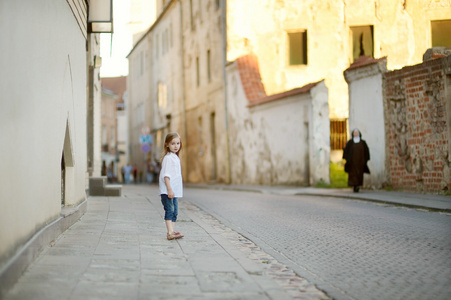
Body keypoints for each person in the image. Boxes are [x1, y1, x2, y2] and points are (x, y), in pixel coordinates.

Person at [159, 132, 184, 240]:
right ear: (167, 144)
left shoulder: (175, 157)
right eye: (173, 143)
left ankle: (172, 231)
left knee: (175, 212)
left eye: (178, 143)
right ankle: (170, 233)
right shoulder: (168, 158)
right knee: (169, 210)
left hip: (174, 191)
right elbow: (166, 176)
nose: (176, 146)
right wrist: (169, 190)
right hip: (168, 191)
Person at [343, 128, 370, 192]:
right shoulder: (350, 143)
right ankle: (354, 186)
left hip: (360, 162)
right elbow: (346, 151)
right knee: (353, 175)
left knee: (359, 174)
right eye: (355, 133)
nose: (356, 134)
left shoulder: (363, 143)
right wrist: (347, 159)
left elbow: (366, 151)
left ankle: (358, 186)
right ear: (353, 134)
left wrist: (365, 160)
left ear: (359, 134)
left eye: (357, 133)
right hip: (352, 162)